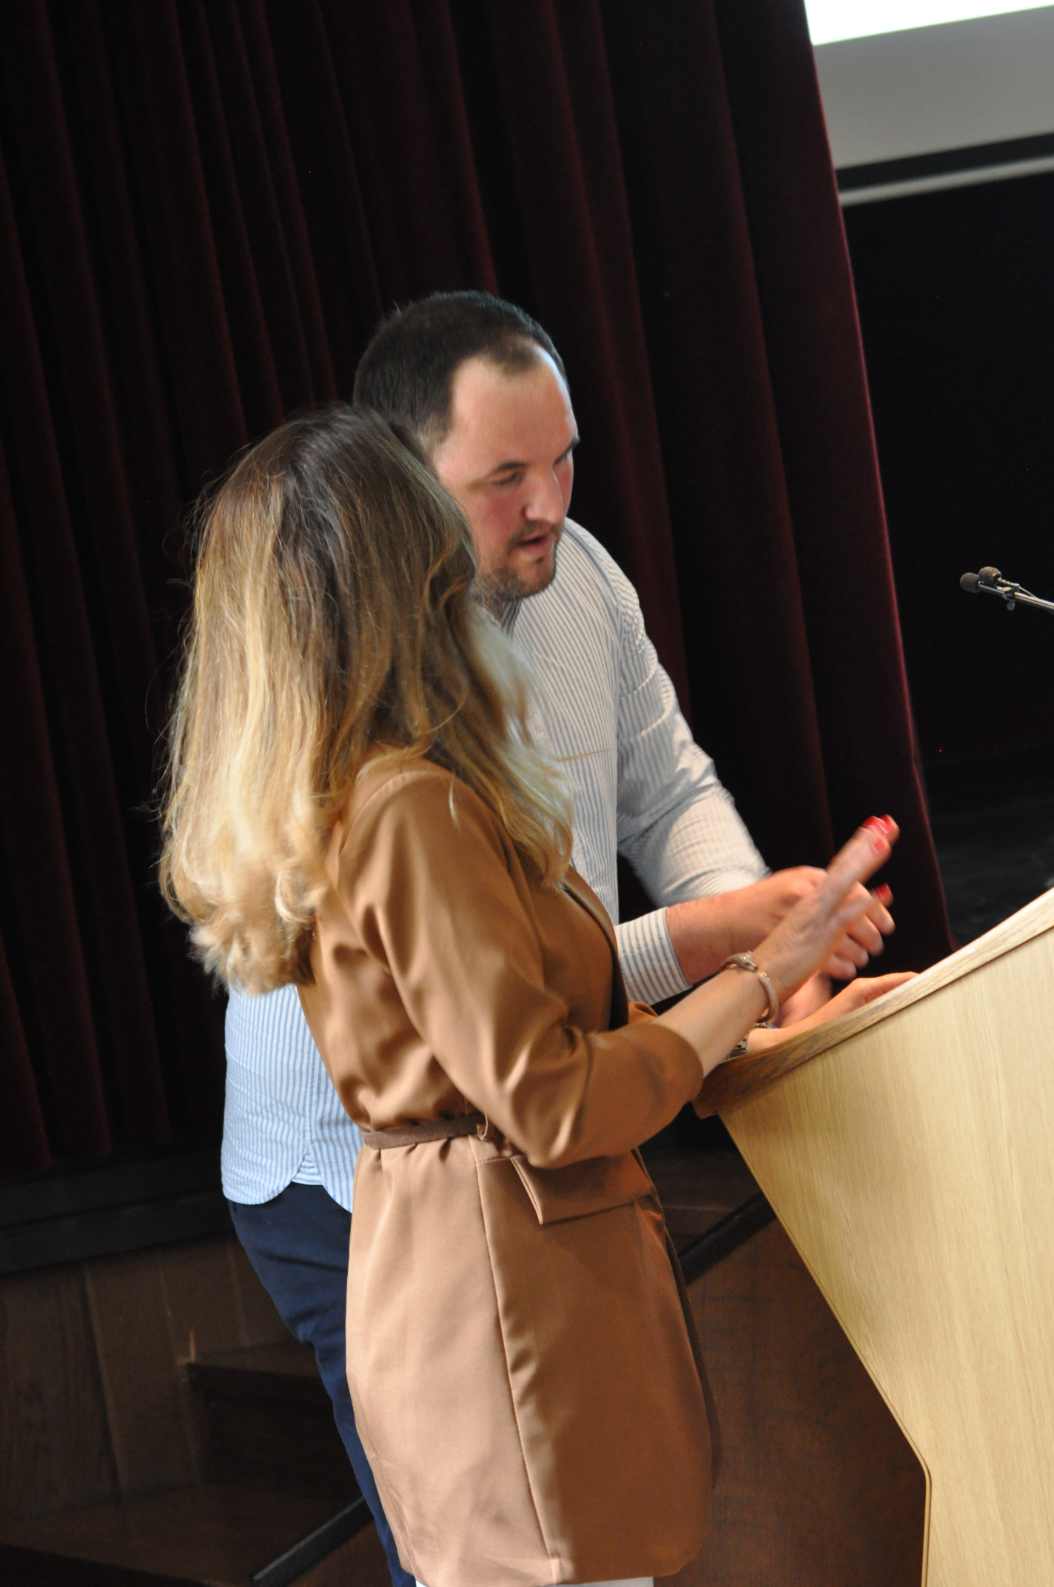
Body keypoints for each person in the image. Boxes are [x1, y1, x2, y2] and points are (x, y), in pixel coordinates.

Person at [161, 406, 908, 1587]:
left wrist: (742, 1004)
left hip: (472, 1278)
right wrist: (763, 974)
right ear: (409, 567)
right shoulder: (412, 806)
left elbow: (523, 1016)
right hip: (504, 1300)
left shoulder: (359, 791)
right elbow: (550, 1096)